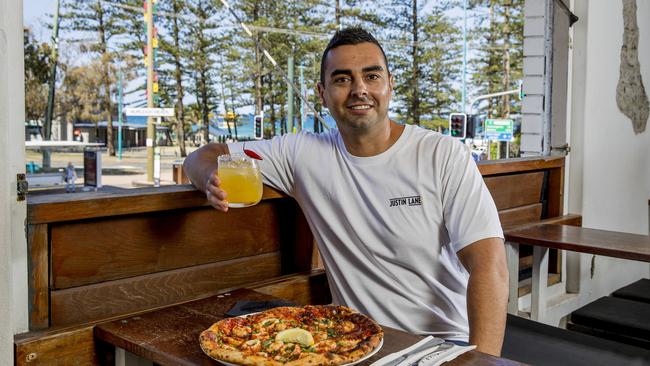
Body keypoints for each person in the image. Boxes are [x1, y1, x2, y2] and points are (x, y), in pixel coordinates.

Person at [184, 27, 508, 356]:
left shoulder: (442, 154)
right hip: (352, 343)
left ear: (389, 84)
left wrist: (482, 362)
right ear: (322, 93)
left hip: (442, 345)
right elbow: (202, 154)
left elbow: (489, 266)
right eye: (342, 79)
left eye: (371, 76)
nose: (359, 90)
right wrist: (211, 175)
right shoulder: (301, 154)